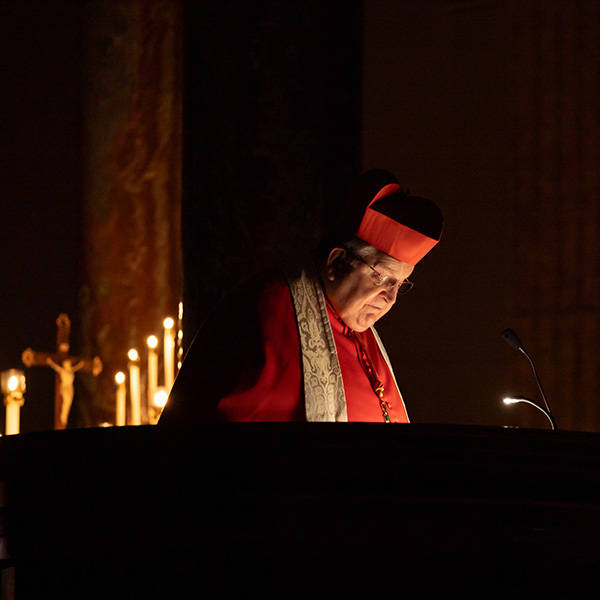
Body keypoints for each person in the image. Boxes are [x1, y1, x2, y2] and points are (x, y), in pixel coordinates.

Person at [159, 170, 443, 424]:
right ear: (336, 261)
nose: (390, 298)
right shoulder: (270, 309)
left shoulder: (362, 334)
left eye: (400, 284)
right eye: (382, 278)